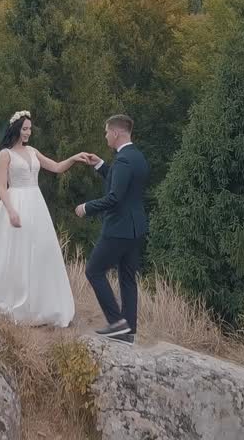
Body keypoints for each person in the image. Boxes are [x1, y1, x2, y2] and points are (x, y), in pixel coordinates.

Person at [0, 110, 90, 327]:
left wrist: (74, 158)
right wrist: (11, 210)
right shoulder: (5, 155)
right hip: (16, 200)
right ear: (16, 129)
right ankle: (14, 297)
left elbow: (56, 167)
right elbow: (1, 187)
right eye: (25, 129)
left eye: (30, 129)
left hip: (36, 204)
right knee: (14, 251)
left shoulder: (32, 151)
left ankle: (41, 303)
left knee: (39, 249)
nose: (28, 133)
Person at [75, 114, 149, 344]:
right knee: (128, 279)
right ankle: (128, 331)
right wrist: (100, 165)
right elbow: (122, 185)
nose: (105, 136)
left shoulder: (123, 161)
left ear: (116, 133)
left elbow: (115, 197)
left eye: (107, 132)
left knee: (94, 271)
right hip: (136, 229)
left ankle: (117, 323)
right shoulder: (136, 157)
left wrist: (87, 207)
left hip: (118, 229)